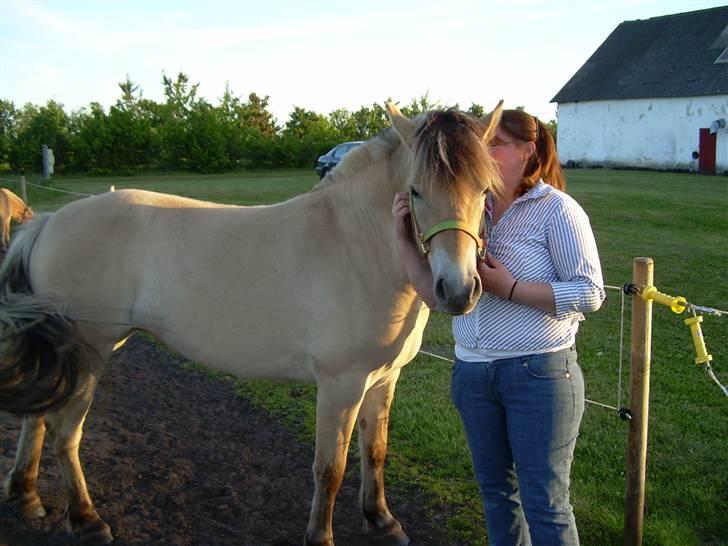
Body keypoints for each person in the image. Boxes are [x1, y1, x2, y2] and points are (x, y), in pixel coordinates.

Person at [392, 109, 605, 546]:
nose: (483, 152)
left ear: (528, 152)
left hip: (539, 374)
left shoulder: (556, 210)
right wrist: (401, 237)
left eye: (495, 144)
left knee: (545, 503)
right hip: (472, 374)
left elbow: (590, 293)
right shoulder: (472, 206)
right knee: (496, 496)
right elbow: (437, 298)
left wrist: (511, 288)